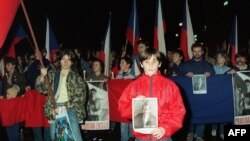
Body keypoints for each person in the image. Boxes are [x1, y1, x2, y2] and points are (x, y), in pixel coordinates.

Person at [118, 47, 186, 141]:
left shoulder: (170, 86)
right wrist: (135, 105)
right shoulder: (133, 86)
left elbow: (178, 111)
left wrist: (165, 128)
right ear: (141, 64)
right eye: (146, 62)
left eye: (154, 62)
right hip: (141, 137)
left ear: (159, 64)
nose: (150, 65)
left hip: (163, 136)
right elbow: (122, 108)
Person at [35, 49, 87, 141]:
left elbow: (81, 97)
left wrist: (65, 107)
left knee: (76, 139)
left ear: (71, 63)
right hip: (54, 110)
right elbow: (40, 89)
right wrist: (42, 76)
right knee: (57, 139)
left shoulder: (76, 77)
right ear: (60, 61)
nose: (66, 62)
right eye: (64, 59)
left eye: (68, 59)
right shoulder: (53, 75)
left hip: (70, 110)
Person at [179, 42, 215, 141]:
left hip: (203, 95)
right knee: (190, 113)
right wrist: (185, 74)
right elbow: (178, 75)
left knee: (202, 113)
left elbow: (214, 76)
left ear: (202, 52)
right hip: (189, 95)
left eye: (199, 51)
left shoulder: (207, 65)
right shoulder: (185, 65)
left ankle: (199, 134)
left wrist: (210, 73)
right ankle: (190, 133)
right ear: (192, 52)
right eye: (195, 51)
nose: (197, 53)